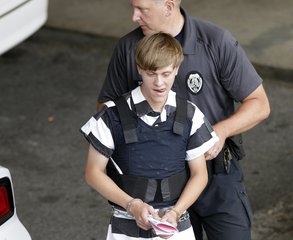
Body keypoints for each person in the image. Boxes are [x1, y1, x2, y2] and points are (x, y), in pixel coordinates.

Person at [96, 1, 271, 240]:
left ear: (168, 5)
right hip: (159, 185)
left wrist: (219, 131)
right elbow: (106, 111)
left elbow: (259, 103)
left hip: (216, 175)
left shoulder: (215, 41)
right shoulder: (129, 48)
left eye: (142, 9)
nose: (134, 17)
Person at [81, 33, 219, 239]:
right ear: (139, 69)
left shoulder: (190, 113)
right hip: (126, 226)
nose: (159, 82)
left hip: (175, 226)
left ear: (177, 69)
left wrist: (175, 212)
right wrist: (133, 205)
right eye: (151, 73)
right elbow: (93, 172)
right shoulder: (111, 115)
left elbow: (200, 174)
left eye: (166, 73)